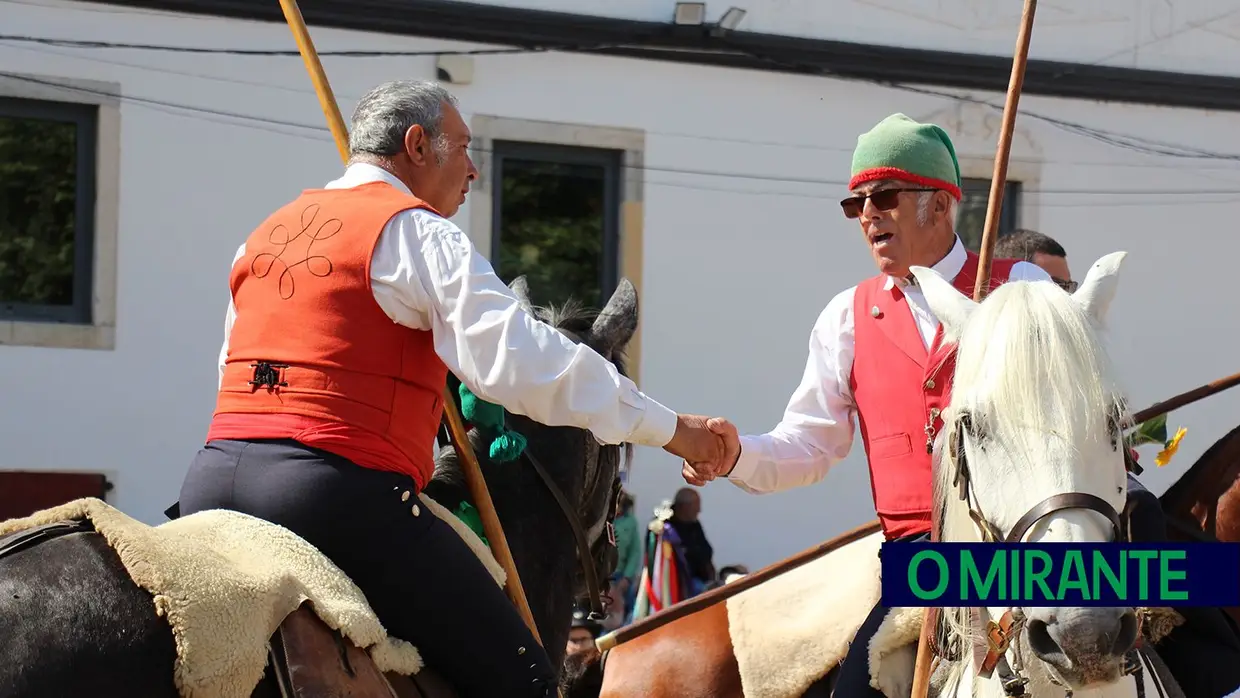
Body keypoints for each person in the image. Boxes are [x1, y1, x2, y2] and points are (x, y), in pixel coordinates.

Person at [177, 80, 732, 698]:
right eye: (463, 148)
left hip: (210, 482)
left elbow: (234, 365)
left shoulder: (263, 235)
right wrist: (675, 432)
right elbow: (528, 365)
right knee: (525, 680)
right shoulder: (417, 233)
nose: (472, 170)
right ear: (417, 145)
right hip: (334, 494)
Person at [682, 112, 1116, 697]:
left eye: (883, 196)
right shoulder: (846, 317)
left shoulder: (1022, 287)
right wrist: (736, 455)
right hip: (919, 565)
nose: (866, 214)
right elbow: (810, 445)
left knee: (1175, 631)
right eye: (855, 202)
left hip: (1021, 548)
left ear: (939, 206)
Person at [995, 229, 1240, 698]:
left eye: (1069, 287)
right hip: (1026, 488)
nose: (1067, 300)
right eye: (1056, 287)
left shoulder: (1076, 341)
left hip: (1082, 476)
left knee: (1146, 511)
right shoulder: (1003, 348)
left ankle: (1201, 658)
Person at [610, 490, 643, 623]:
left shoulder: (630, 522)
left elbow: (634, 552)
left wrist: (627, 577)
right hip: (601, 578)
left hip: (621, 575)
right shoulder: (601, 521)